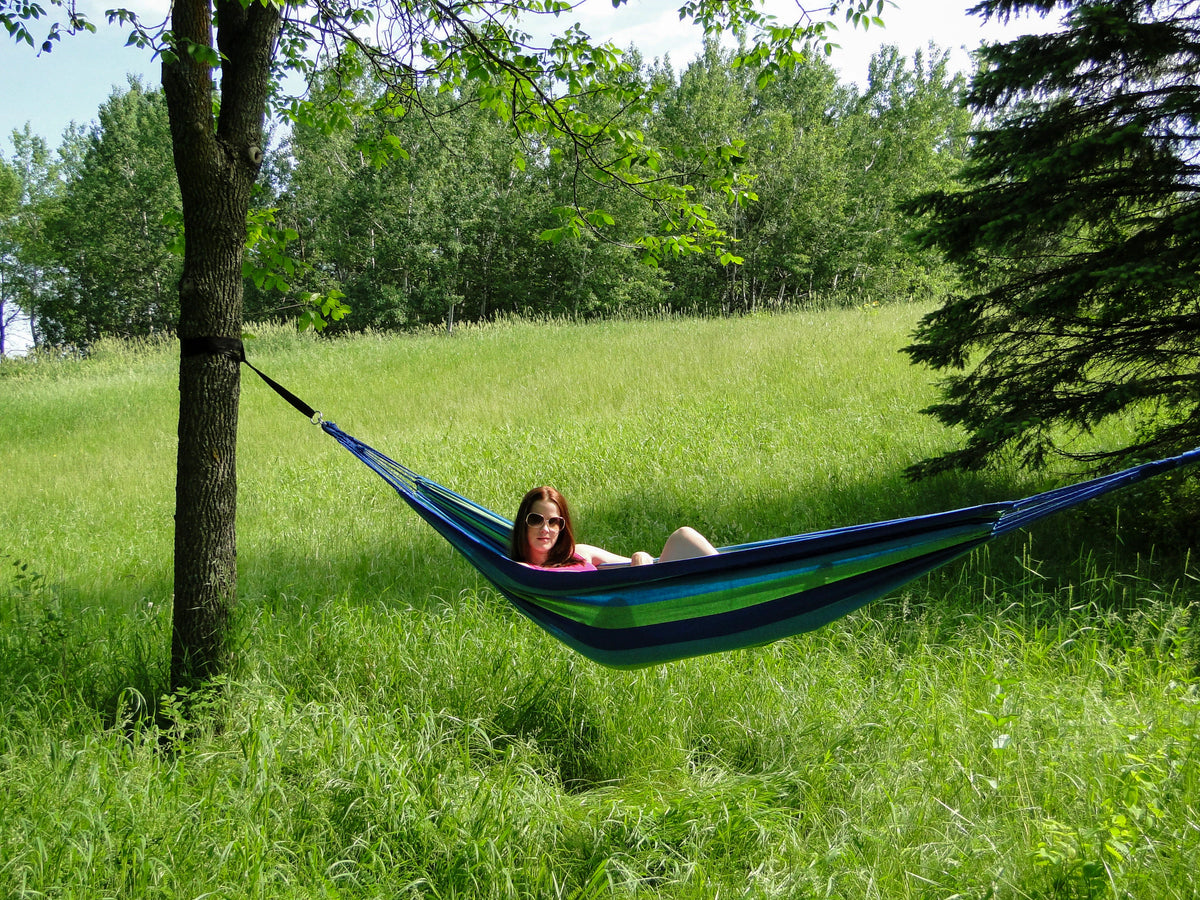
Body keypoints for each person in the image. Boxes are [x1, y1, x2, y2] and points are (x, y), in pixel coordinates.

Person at [510, 486, 718, 570]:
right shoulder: (525, 571)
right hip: (625, 616)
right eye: (536, 519)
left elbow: (638, 565)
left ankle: (741, 589)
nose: (545, 529)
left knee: (683, 537)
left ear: (562, 527)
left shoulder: (580, 552)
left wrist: (640, 556)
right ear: (523, 523)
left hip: (647, 594)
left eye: (554, 521)